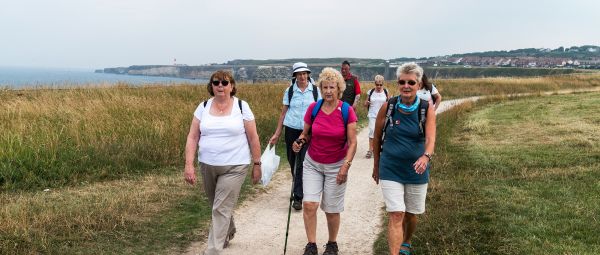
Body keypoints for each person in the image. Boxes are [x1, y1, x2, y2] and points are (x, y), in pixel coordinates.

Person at [184, 70, 262, 255]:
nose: (220, 86)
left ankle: (212, 250)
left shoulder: (242, 107)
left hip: (235, 165)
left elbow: (253, 138)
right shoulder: (202, 107)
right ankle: (228, 228)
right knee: (217, 204)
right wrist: (189, 164)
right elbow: (193, 136)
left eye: (225, 83)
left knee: (220, 208)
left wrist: (257, 164)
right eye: (216, 82)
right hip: (207, 164)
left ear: (232, 86)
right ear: (211, 86)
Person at [372, 62, 436, 255]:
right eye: (402, 82)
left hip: (416, 170)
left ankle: (406, 241)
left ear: (419, 85)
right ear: (398, 83)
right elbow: (376, 137)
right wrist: (376, 166)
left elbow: (431, 138)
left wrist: (425, 157)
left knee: (411, 214)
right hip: (390, 168)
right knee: (396, 213)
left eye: (411, 82)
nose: (406, 86)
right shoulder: (388, 107)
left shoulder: (426, 109)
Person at [293, 67, 358, 255]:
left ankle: (332, 243)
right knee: (309, 204)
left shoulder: (346, 111)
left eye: (332, 87)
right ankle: (311, 245)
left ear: (339, 89)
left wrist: (345, 166)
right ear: (321, 89)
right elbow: (305, 134)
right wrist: (299, 142)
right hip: (313, 162)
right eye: (325, 87)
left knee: (331, 209)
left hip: (336, 165)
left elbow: (353, 143)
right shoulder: (314, 108)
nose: (328, 91)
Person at [269, 62, 321, 211]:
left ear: (308, 74)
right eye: (299, 74)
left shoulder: (316, 91)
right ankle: (298, 185)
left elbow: (319, 113)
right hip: (291, 130)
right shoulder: (290, 91)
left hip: (308, 132)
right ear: (295, 76)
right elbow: (283, 113)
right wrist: (277, 133)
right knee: (293, 162)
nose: (303, 76)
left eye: (305, 73)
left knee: (303, 162)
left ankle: (298, 197)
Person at [363, 74, 390, 159]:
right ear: (375, 83)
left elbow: (389, 103)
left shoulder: (386, 91)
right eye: (377, 84)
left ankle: (379, 149)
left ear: (383, 84)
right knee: (372, 131)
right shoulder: (370, 92)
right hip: (372, 114)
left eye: (380, 84)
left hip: (383, 115)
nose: (378, 86)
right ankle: (370, 150)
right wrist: (366, 103)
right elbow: (365, 103)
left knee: (382, 132)